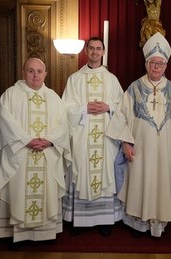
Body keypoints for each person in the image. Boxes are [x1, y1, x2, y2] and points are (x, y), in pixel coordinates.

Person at [105, 32, 171, 237]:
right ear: (146, 64)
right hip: (140, 149)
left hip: (164, 151)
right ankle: (138, 224)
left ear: (166, 66)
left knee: (161, 183)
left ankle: (157, 224)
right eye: (153, 63)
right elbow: (120, 118)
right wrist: (125, 142)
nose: (156, 67)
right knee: (139, 182)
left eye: (160, 64)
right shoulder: (134, 88)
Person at [0, 57, 71, 248]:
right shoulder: (11, 94)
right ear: (23, 73)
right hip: (19, 155)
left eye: (39, 71)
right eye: (31, 71)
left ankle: (45, 234)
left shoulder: (54, 98)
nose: (35, 75)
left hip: (46, 154)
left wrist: (49, 140)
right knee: (17, 191)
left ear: (45, 74)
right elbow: (5, 123)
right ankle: (15, 234)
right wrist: (26, 140)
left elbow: (63, 125)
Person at [61, 37, 124, 237]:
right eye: (92, 48)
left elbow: (123, 109)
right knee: (83, 170)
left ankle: (104, 220)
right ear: (86, 51)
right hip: (82, 136)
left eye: (99, 49)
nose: (95, 52)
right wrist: (84, 108)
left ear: (103, 52)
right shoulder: (75, 79)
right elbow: (65, 109)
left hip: (105, 137)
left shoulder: (112, 79)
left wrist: (108, 107)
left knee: (104, 173)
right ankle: (80, 220)